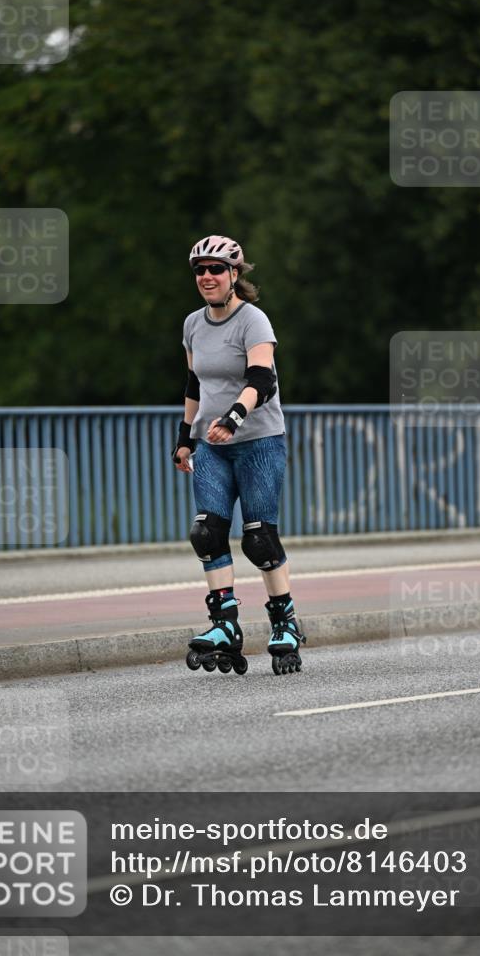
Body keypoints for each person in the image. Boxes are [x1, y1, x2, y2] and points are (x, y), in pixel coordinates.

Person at [172, 234, 306, 676]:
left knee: (258, 538)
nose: (207, 276)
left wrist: (233, 417)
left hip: (259, 441)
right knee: (207, 532)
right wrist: (185, 437)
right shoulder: (193, 324)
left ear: (234, 274)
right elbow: (194, 384)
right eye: (200, 270)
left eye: (216, 269)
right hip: (212, 446)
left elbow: (262, 380)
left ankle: (285, 623)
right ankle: (225, 625)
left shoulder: (253, 320)